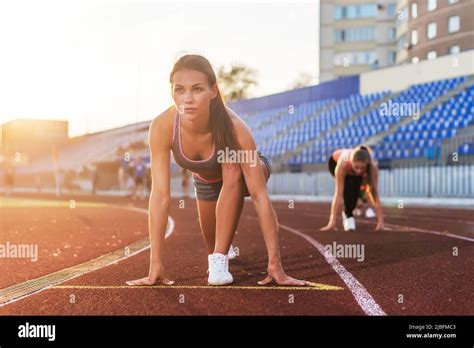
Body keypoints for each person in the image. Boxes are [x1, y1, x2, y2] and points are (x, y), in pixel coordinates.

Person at [126, 54, 308, 287]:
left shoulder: (235, 129)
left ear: (213, 91)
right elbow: (160, 195)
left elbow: (260, 196)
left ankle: (220, 261)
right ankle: (222, 249)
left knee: (231, 166)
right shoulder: (162, 126)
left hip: (246, 171)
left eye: (197, 89)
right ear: (171, 91)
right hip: (206, 180)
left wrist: (275, 264)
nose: (188, 99)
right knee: (212, 245)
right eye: (180, 90)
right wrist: (155, 264)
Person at [320, 145, 386, 232]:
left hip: (352, 167)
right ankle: (348, 214)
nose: (359, 171)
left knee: (355, 187)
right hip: (334, 162)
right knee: (348, 186)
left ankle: (352, 206)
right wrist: (332, 222)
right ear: (351, 162)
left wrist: (381, 222)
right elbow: (338, 194)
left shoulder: (372, 167)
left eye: (362, 168)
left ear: (367, 164)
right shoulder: (343, 165)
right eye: (357, 167)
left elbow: (375, 194)